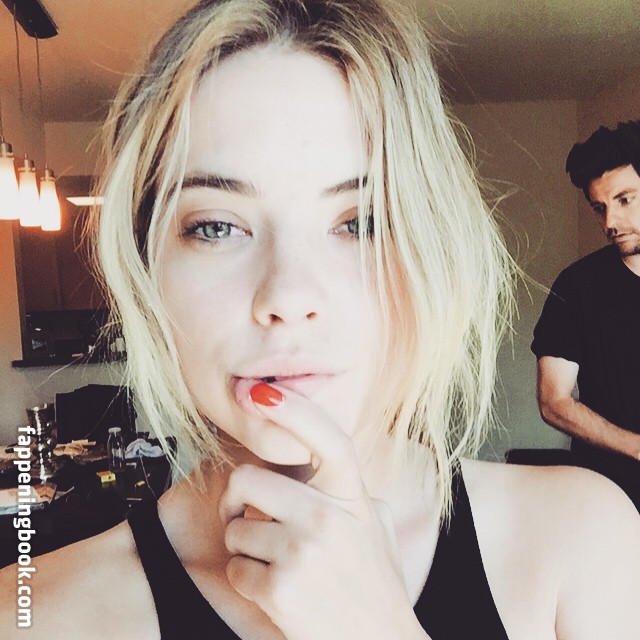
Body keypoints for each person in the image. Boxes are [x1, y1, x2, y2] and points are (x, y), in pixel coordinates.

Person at [1, 1, 639, 638]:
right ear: (146, 265)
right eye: (216, 226)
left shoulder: (584, 539)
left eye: (361, 222)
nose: (287, 296)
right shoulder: (30, 616)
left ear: (435, 247)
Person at [532, 120, 640, 512]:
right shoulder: (576, 287)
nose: (609, 222)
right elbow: (554, 401)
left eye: (624, 200)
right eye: (599, 207)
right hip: (605, 500)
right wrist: (637, 447)